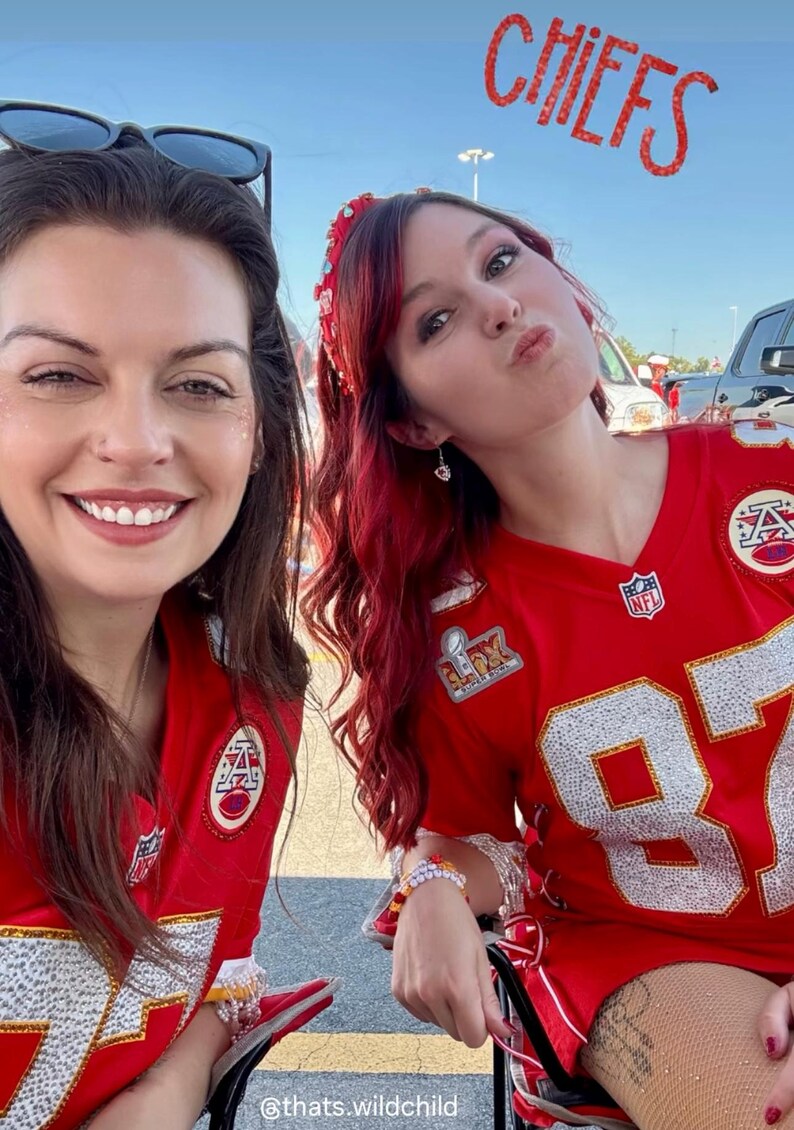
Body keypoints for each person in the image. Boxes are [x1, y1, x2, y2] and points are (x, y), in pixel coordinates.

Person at [303, 188, 794, 1130]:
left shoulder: (764, 469)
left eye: (500, 262)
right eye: (436, 319)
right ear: (412, 422)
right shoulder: (454, 627)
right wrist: (433, 886)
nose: (499, 306)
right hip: (649, 949)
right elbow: (474, 838)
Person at [0, 103, 333, 1129]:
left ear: (259, 428)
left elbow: (209, 985)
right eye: (58, 373)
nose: (136, 439)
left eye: (195, 383)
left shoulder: (256, 704)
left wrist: (172, 1087)